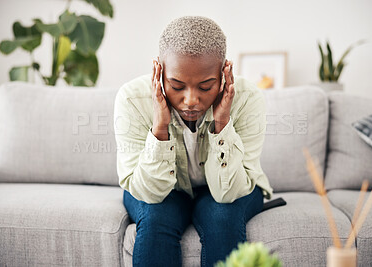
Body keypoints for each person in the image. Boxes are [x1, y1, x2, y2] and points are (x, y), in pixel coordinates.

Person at [114, 16, 273, 267]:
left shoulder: (247, 99)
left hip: (230, 186)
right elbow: (148, 192)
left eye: (205, 86)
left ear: (224, 73)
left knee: (222, 218)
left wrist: (221, 125)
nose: (190, 100)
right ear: (159, 71)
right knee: (156, 217)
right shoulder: (132, 100)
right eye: (177, 86)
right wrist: (160, 128)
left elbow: (227, 193)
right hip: (161, 189)